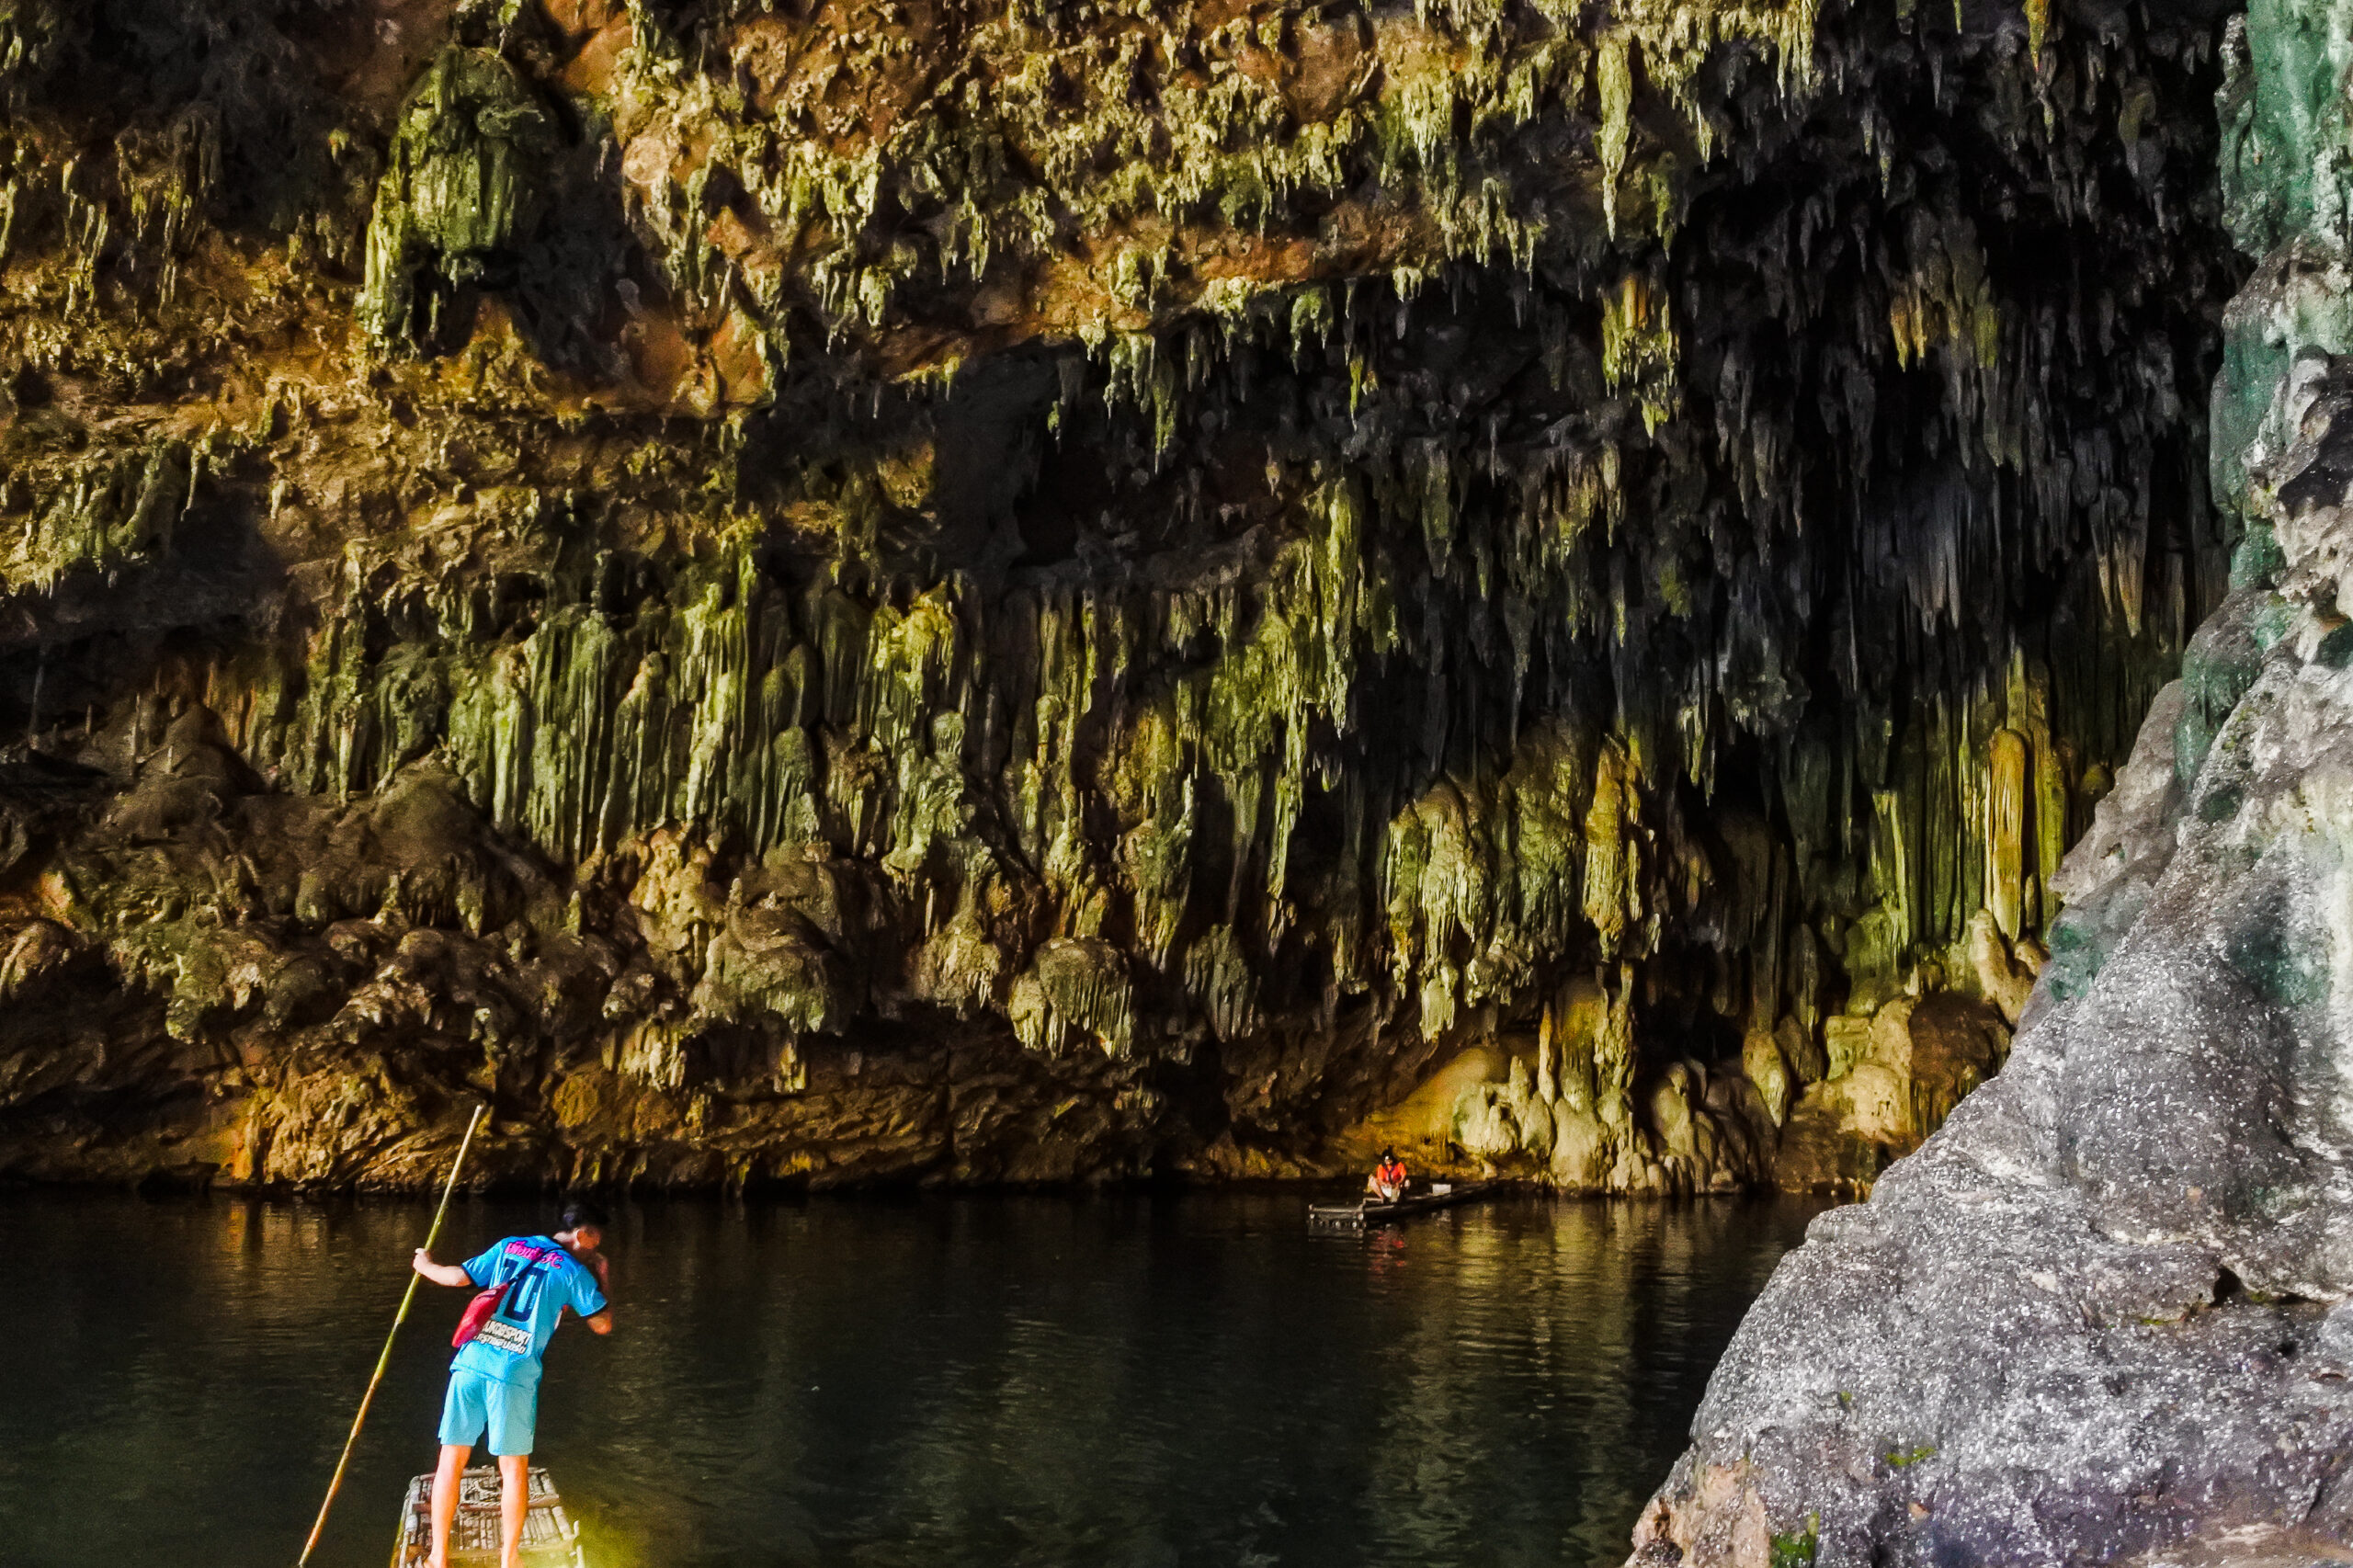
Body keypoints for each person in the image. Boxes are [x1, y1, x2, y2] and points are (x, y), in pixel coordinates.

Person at [411, 1199, 614, 1568]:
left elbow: (457, 1277)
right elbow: (602, 1324)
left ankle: (438, 1558)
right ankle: (510, 1559)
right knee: (513, 1469)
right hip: (513, 1375)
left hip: (470, 1364)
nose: (596, 1247)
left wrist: (423, 1265)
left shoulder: (511, 1246)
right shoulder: (574, 1273)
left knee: (450, 1462)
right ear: (583, 1235)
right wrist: (603, 1276)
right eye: (596, 1240)